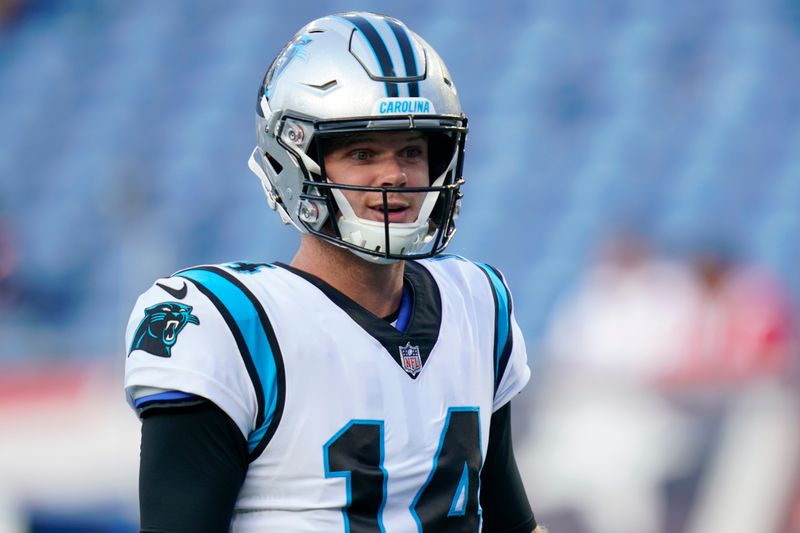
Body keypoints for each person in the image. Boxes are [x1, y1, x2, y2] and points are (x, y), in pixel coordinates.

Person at [125, 12, 541, 533]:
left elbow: (511, 522)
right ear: (296, 160)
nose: (394, 174)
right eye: (362, 153)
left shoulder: (478, 302)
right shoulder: (231, 326)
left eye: (412, 150)